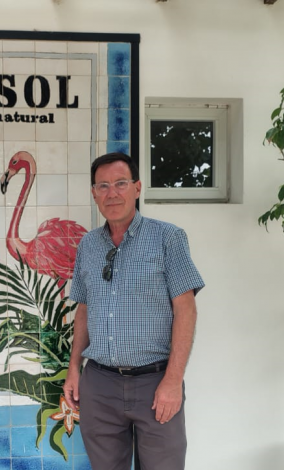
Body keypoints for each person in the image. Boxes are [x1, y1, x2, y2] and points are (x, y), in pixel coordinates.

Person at [63, 152, 205, 470]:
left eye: (121, 183)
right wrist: (74, 368)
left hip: (155, 382)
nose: (112, 193)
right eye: (103, 186)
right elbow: (84, 309)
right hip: (99, 384)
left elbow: (186, 311)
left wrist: (173, 381)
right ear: (94, 193)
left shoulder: (168, 238)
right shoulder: (88, 245)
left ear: (137, 188)